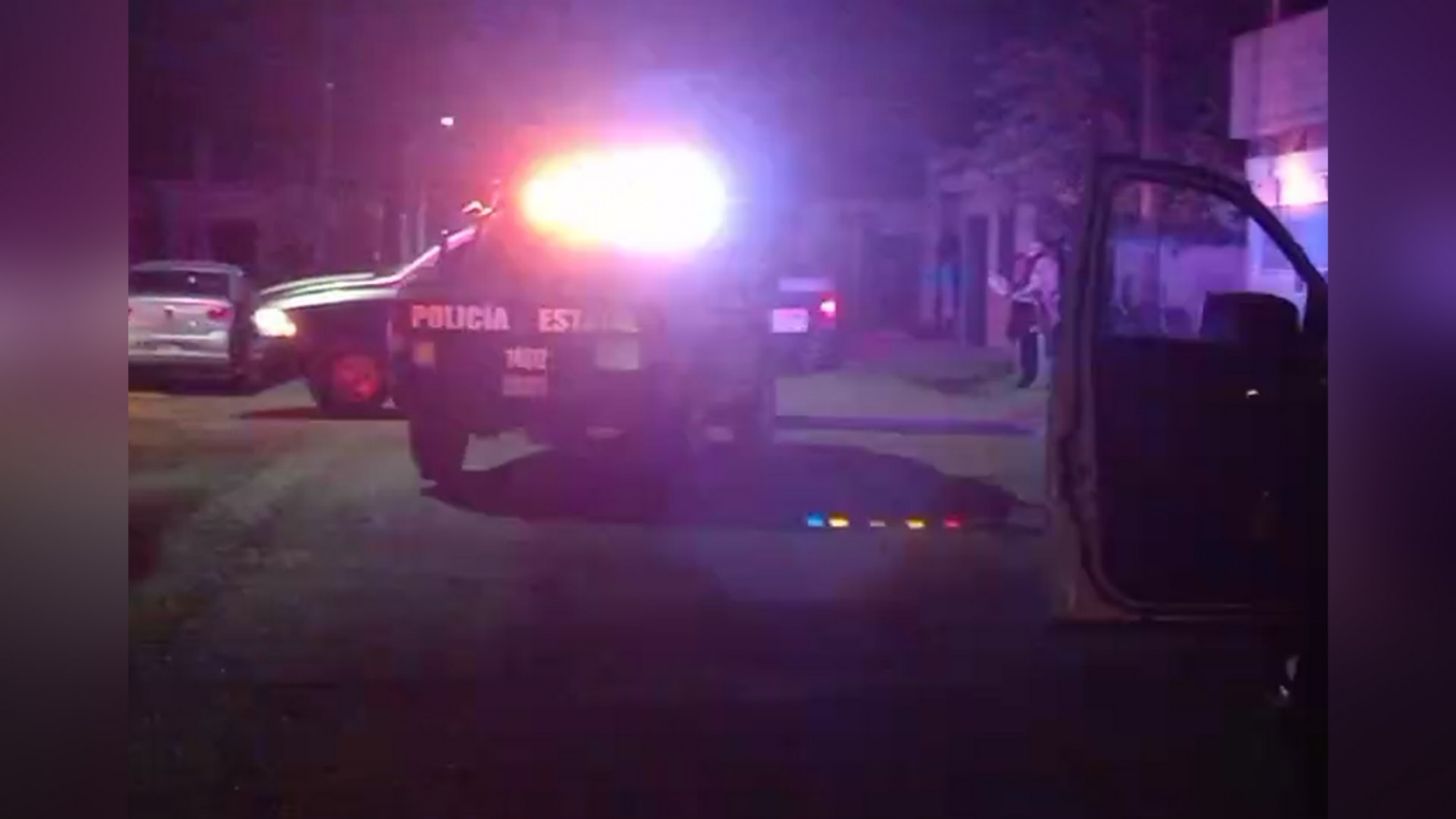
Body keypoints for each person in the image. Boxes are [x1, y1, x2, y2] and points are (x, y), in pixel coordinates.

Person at [990, 240, 1060, 388]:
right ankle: (1029, 374)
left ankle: (1037, 376)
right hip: (1025, 309)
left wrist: (1019, 293)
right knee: (1026, 341)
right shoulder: (1026, 266)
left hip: (1035, 310)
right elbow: (1019, 286)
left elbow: (1038, 287)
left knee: (1037, 343)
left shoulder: (1043, 264)